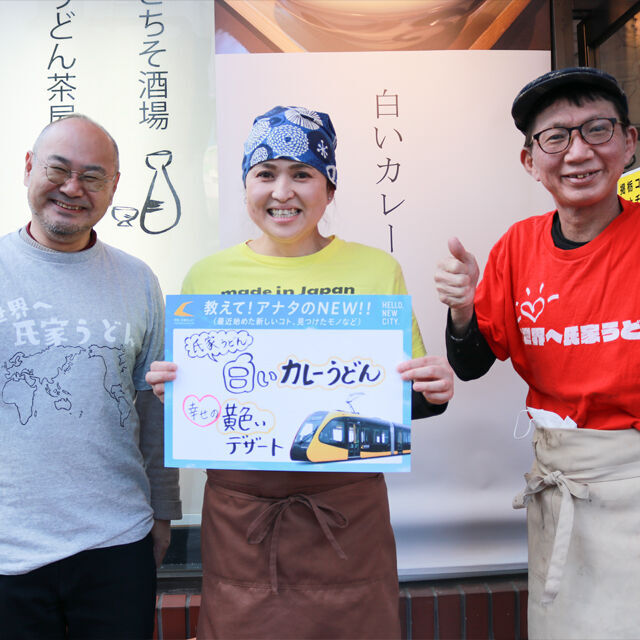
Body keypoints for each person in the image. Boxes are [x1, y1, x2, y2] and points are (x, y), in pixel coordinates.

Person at [146, 105, 454, 639]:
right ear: (246, 186)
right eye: (265, 174)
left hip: (346, 516)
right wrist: (170, 390)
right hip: (242, 518)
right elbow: (199, 403)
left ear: (329, 189)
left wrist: (434, 388)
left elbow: (405, 399)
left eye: (302, 174)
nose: (282, 191)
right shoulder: (207, 277)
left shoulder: (376, 270)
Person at [435, 67, 640, 639]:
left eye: (597, 129)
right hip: (561, 484)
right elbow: (471, 364)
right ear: (530, 161)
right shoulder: (518, 247)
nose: (578, 152)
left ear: (629, 143)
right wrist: (461, 309)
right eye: (556, 137)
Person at [0, 114, 182, 639]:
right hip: (10, 550)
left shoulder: (137, 280)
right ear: (29, 167)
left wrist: (164, 513)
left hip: (117, 542)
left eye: (93, 177)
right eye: (58, 170)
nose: (73, 188)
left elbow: (153, 407)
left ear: (114, 186)